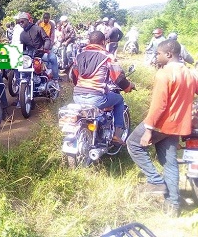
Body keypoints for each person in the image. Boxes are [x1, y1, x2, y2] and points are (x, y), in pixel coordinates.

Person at [127, 39, 198, 217]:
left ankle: (155, 180)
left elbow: (159, 105)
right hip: (178, 125)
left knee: (133, 144)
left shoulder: (164, 74)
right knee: (170, 162)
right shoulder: (189, 73)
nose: (156, 56)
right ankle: (173, 204)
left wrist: (149, 130)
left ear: (168, 54)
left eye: (158, 53)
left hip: (161, 124)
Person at [72, 31, 134, 143]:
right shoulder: (107, 57)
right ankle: (116, 134)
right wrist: (128, 86)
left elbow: (74, 76)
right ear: (103, 42)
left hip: (77, 96)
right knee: (119, 100)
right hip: (96, 97)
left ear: (89, 42)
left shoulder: (79, 56)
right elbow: (118, 78)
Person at [38, 12, 60, 81]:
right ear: (42, 18)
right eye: (44, 18)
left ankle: (55, 78)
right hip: (39, 46)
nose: (45, 20)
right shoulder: (39, 23)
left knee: (53, 59)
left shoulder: (52, 24)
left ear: (49, 18)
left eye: (47, 18)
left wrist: (49, 46)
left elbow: (52, 36)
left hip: (48, 46)